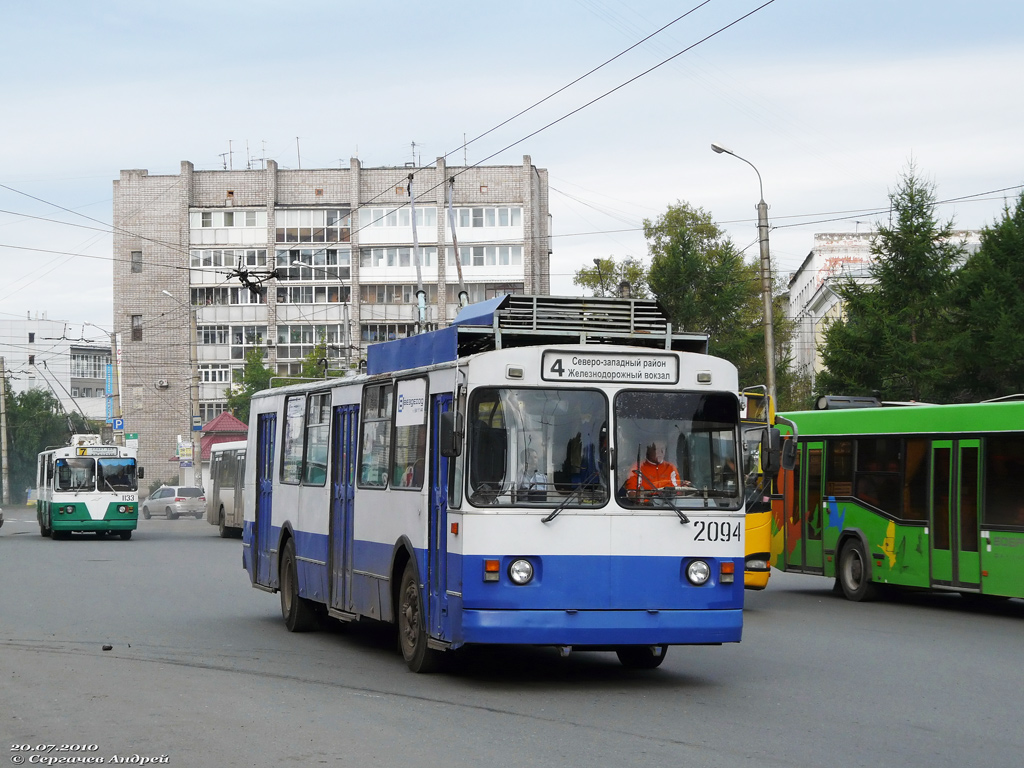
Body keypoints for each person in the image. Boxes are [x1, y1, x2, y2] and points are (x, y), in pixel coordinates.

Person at [623, 440, 690, 497]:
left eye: (663, 449)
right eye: (656, 449)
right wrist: (650, 494)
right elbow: (631, 493)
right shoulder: (637, 467)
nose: (660, 452)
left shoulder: (670, 467)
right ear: (648, 451)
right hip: (645, 506)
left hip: (669, 506)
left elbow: (677, 491)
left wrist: (683, 488)